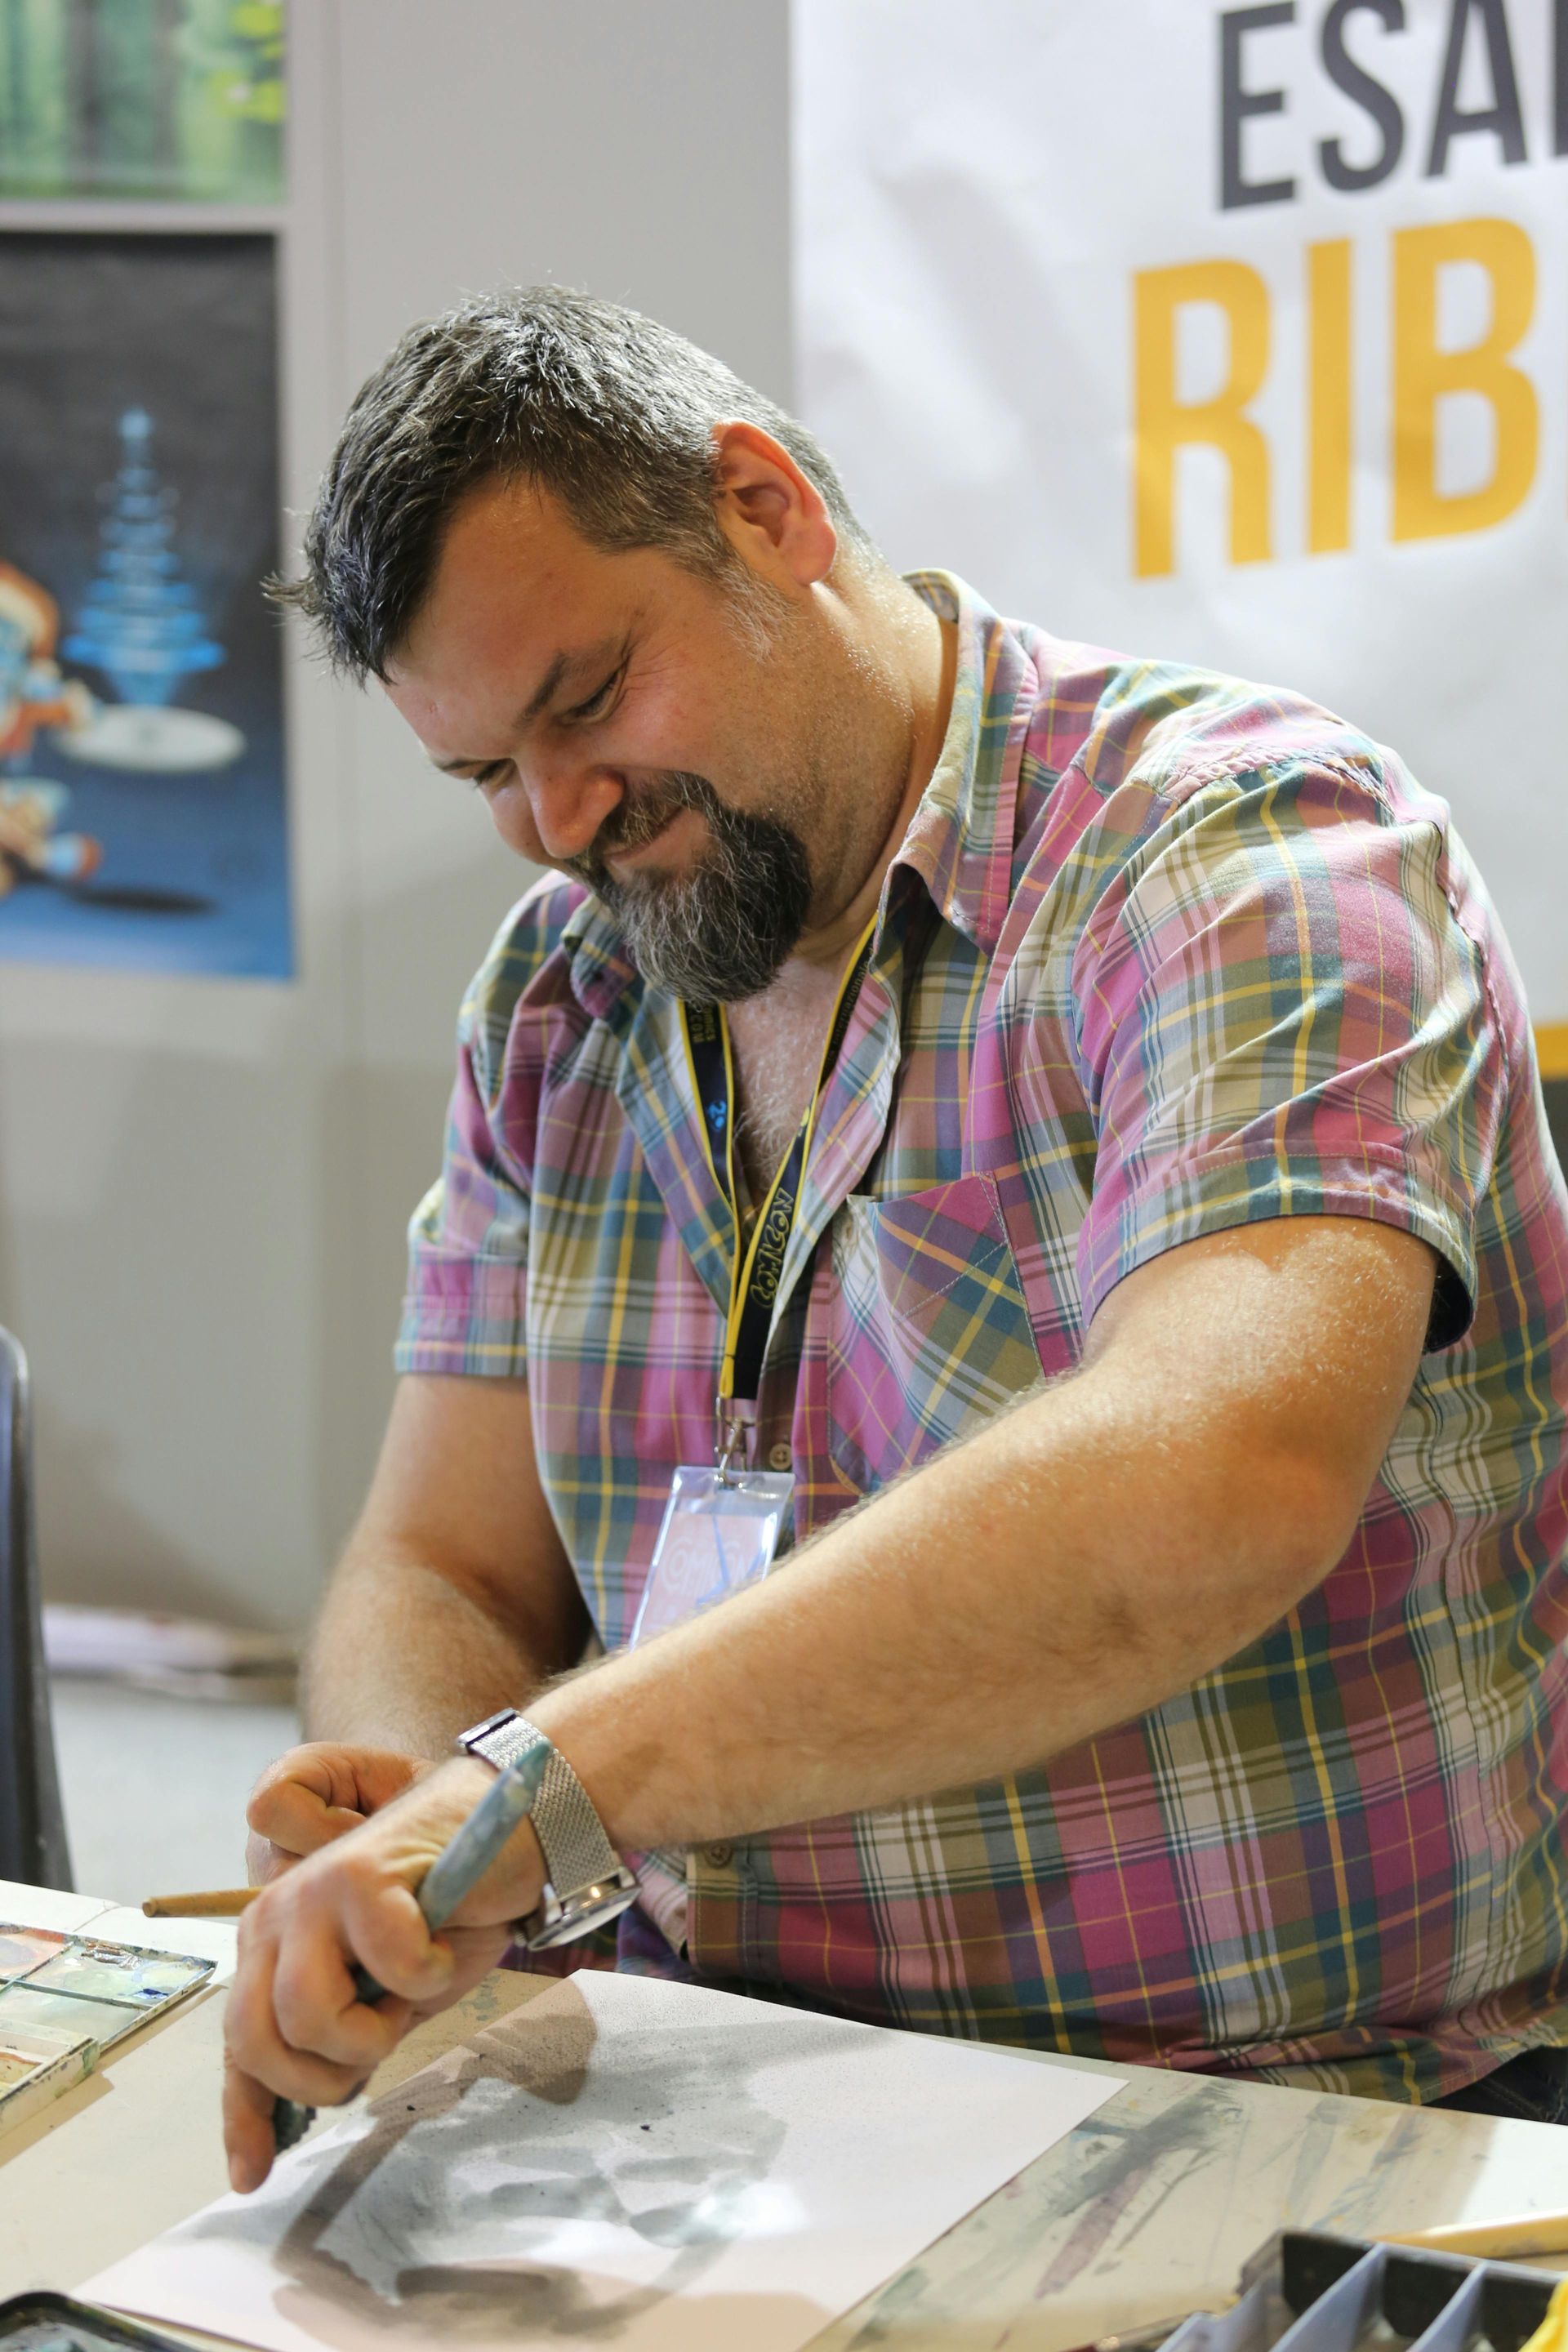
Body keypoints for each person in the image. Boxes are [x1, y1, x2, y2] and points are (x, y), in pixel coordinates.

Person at [224, 287, 1568, 2190]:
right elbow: (443, 1560)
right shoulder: (559, 994)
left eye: (590, 701)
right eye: (483, 777)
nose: (561, 819)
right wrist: (411, 1822)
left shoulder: (1244, 848)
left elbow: (1215, 1479)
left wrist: (543, 1793)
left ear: (764, 508)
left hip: (1297, 2115)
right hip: (724, 2104)